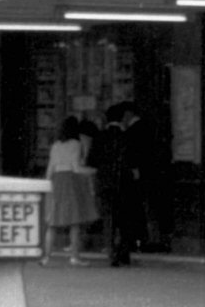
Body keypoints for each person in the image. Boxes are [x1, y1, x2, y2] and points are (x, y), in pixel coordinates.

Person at [98, 101, 150, 267]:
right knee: (126, 218)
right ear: (122, 118)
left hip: (105, 183)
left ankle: (111, 252)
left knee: (109, 219)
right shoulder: (127, 136)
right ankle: (124, 251)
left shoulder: (100, 137)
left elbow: (93, 160)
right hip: (124, 182)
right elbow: (133, 160)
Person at [43, 115, 99, 265]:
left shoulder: (55, 145)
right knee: (74, 222)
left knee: (53, 222)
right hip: (71, 182)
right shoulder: (76, 144)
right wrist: (94, 171)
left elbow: (50, 168)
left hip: (56, 181)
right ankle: (75, 256)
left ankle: (46, 257)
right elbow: (76, 167)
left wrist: (47, 186)